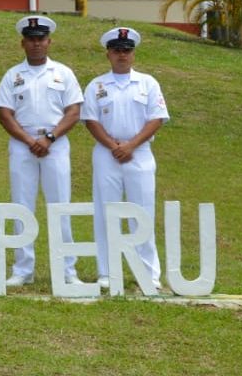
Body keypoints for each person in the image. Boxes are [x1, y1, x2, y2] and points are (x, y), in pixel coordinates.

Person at [0, 16, 83, 287]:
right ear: (23, 43)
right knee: (22, 207)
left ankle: (67, 270)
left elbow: (74, 111)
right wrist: (30, 140)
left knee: (60, 206)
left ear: (49, 41)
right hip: (23, 145)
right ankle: (23, 269)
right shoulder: (13, 75)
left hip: (55, 145)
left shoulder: (63, 73)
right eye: (31, 39)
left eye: (40, 39)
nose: (36, 44)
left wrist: (49, 138)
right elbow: (4, 115)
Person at [81, 27, 169, 291]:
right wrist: (112, 145)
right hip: (107, 153)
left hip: (139, 153)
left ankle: (148, 274)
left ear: (133, 54)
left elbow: (157, 119)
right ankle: (107, 271)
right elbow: (90, 120)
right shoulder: (96, 85)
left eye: (127, 50)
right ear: (108, 53)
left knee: (142, 213)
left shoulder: (148, 83)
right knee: (106, 211)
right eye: (117, 50)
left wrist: (131, 145)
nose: (122, 55)